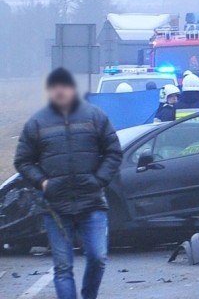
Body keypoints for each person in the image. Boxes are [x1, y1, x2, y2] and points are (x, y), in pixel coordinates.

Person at [14, 68, 122, 299]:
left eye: (64, 86)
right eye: (55, 87)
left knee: (98, 257)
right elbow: (23, 161)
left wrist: (99, 180)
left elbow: (113, 152)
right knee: (63, 267)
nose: (60, 90)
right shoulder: (37, 123)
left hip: (92, 202)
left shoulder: (95, 116)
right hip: (55, 207)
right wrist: (42, 182)